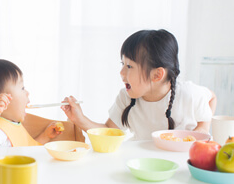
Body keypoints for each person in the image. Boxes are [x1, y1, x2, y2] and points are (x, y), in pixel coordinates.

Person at [62, 29, 217, 140]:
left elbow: (212, 97)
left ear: (157, 75)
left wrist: (202, 128)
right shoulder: (126, 97)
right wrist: (79, 119)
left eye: (129, 66)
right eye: (122, 64)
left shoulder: (188, 94)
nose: (121, 72)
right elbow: (109, 131)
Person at [0, 59, 63, 152]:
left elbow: (26, 149)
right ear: (1, 100)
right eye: (22, 88)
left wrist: (45, 136)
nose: (27, 92)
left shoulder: (13, 123)